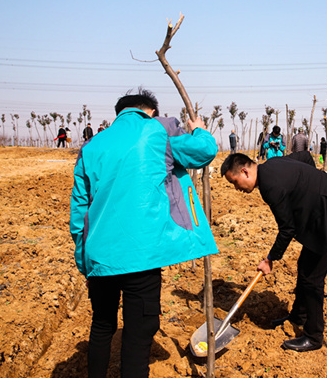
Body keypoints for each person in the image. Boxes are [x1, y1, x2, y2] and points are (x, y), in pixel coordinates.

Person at [70, 88, 219, 377]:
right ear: (150, 111)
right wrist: (199, 130)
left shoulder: (91, 146)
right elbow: (205, 152)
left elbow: (79, 213)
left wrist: (84, 262)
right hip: (142, 255)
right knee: (139, 333)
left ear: (119, 114)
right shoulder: (157, 130)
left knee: (102, 326)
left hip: (100, 257)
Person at [221, 153, 327, 352]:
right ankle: (298, 316)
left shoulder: (270, 187)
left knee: (312, 279)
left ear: (244, 171)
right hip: (319, 214)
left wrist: (270, 259)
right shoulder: (273, 163)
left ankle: (314, 336)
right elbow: (305, 157)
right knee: (304, 267)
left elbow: (287, 229)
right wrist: (313, 184)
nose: (237, 188)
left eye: (235, 182)